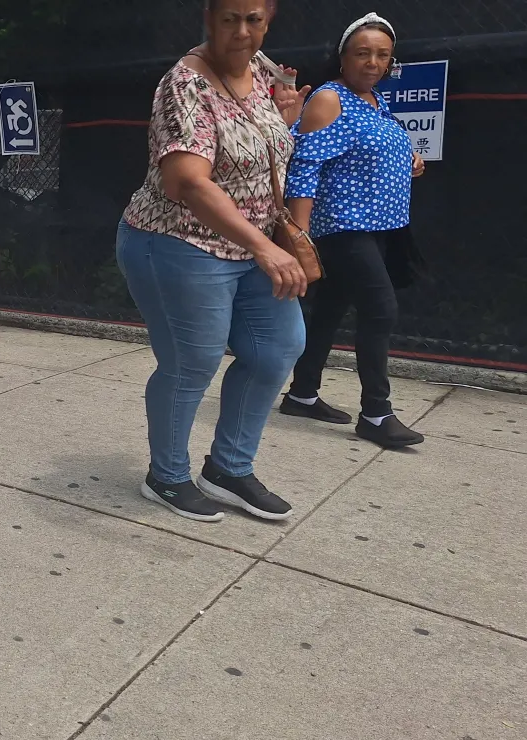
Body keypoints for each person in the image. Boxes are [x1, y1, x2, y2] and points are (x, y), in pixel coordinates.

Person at [116, 0, 312, 523]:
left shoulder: (266, 72)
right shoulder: (185, 85)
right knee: (190, 363)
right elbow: (188, 182)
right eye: (230, 19)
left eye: (254, 18)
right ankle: (167, 476)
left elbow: (256, 151)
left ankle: (228, 469)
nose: (242, 31)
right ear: (210, 19)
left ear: (268, 19)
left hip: (249, 246)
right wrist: (265, 246)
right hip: (178, 241)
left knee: (279, 348)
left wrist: (285, 123)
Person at [280, 13, 426, 449]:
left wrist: (409, 161)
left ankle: (302, 395)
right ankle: (377, 414)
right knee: (380, 310)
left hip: (379, 227)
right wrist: (298, 233)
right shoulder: (330, 98)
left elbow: (361, 154)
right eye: (362, 53)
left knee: (330, 310)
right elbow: (305, 166)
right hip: (344, 227)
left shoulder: (376, 103)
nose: (373, 62)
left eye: (382, 55)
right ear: (342, 57)